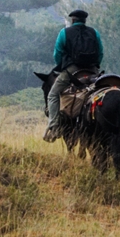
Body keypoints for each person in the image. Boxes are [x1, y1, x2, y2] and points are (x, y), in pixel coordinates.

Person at [43, 9, 104, 142]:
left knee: (53, 95)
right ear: (84, 20)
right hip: (93, 71)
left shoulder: (64, 33)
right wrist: (96, 66)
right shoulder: (95, 33)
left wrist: (61, 65)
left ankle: (54, 127)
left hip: (72, 70)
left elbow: (57, 53)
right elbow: (100, 52)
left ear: (72, 20)